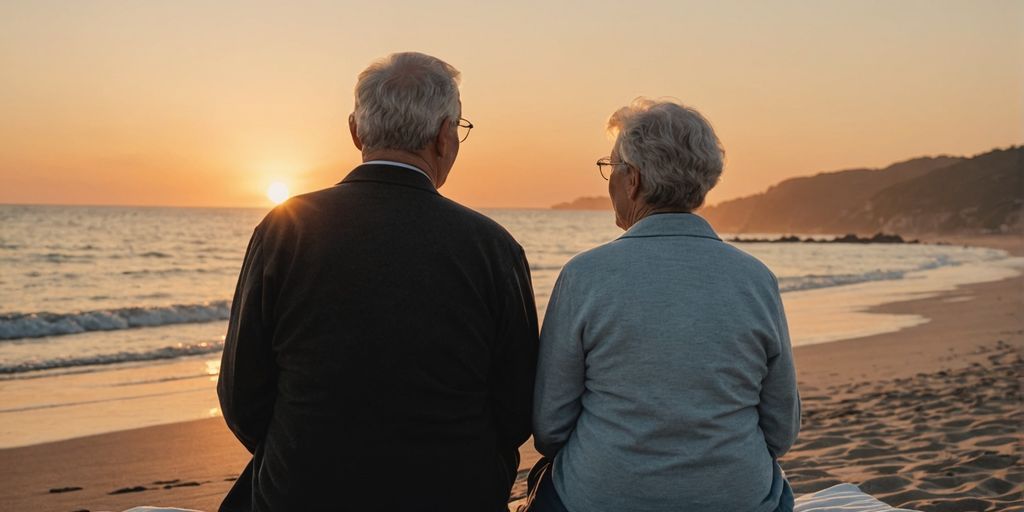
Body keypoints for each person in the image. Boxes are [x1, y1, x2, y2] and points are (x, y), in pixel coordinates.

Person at [218, 52, 539, 512]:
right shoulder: (492, 247)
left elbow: (241, 394)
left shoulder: (285, 229)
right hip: (453, 493)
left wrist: (309, 456)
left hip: (305, 491)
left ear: (355, 130)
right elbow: (516, 408)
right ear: (445, 136)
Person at [531, 98, 800, 512]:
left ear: (633, 180)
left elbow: (549, 428)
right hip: (735, 499)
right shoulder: (755, 279)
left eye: (611, 169)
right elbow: (782, 429)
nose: (609, 183)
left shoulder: (584, 276)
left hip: (602, 498)